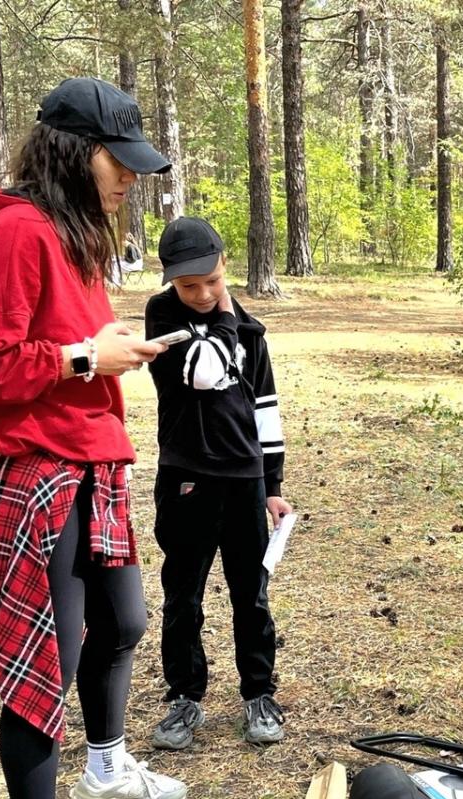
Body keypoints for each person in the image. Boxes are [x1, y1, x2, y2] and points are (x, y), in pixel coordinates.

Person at [0, 78, 188, 799]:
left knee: (125, 622)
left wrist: (104, 348)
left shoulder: (72, 237)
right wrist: (82, 359)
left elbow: (63, 341)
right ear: (77, 152)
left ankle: (104, 769)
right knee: (47, 658)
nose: (130, 180)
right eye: (121, 163)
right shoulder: (16, 233)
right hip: (35, 472)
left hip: (87, 460)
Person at [145, 216, 291, 751]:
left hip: (245, 481)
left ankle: (258, 691)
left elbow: (265, 407)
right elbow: (204, 372)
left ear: (224, 264)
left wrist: (272, 483)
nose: (203, 294)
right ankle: (185, 696)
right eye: (189, 286)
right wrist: (229, 318)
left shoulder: (251, 331)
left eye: (211, 280)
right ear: (171, 284)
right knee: (183, 593)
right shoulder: (163, 319)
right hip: (186, 480)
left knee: (250, 593)